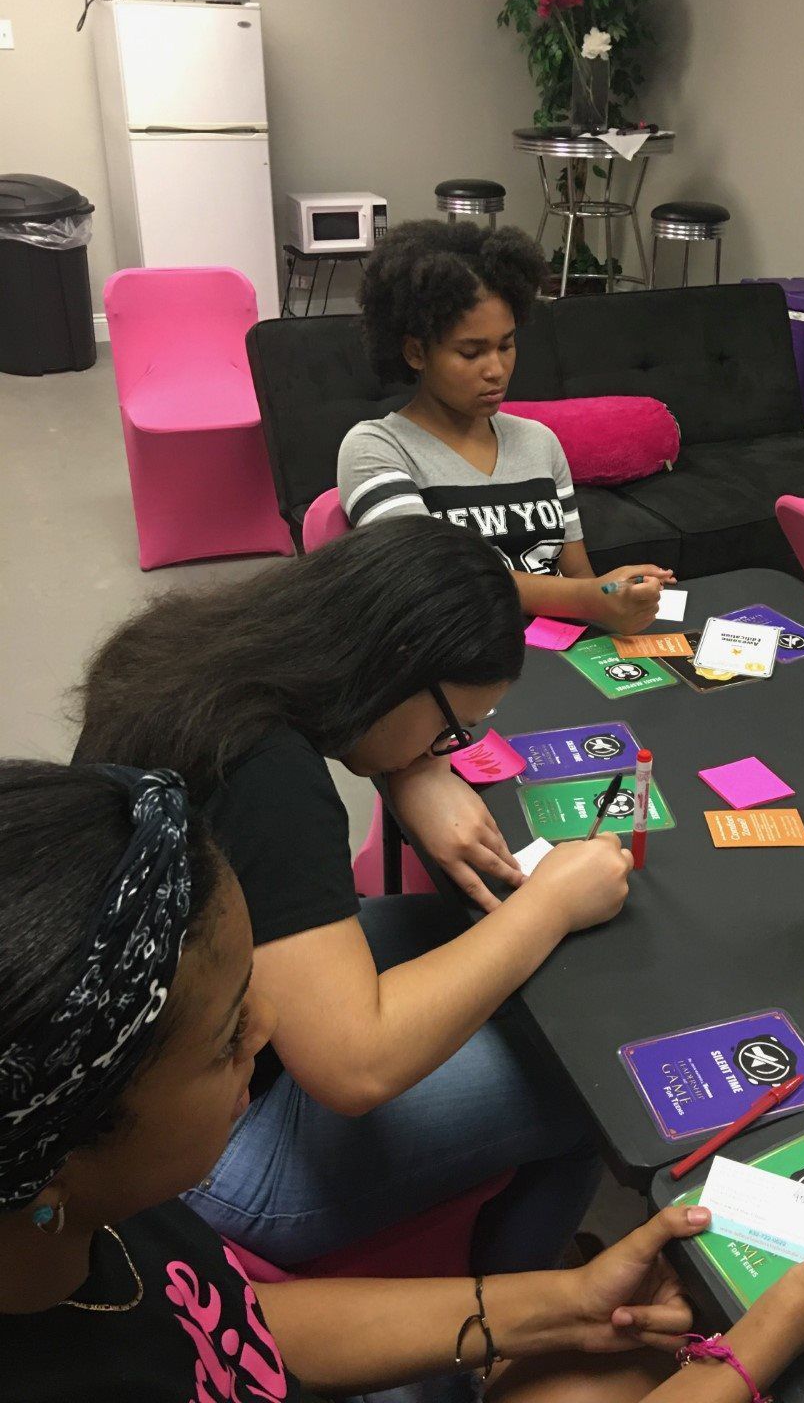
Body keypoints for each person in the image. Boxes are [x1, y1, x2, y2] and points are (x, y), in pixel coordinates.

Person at [0, 758, 804, 1403]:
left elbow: (232, 1322)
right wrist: (784, 1325)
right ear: (56, 1150)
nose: (268, 1028)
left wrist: (563, 1298)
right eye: (225, 1041)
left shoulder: (80, 1216)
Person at [74, 516, 629, 1278]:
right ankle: (515, 1317)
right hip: (199, 1162)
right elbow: (353, 1066)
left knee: (464, 934)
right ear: (397, 664)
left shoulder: (194, 653)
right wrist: (553, 902)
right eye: (449, 729)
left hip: (156, 1055)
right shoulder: (267, 775)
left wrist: (413, 771)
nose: (447, 750)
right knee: (592, 1082)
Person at [337, 219, 673, 635]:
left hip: (555, 659)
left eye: (506, 345)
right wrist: (593, 597)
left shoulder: (539, 442)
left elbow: (580, 577)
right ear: (416, 351)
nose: (496, 370)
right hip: (456, 666)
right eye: (471, 352)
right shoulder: (376, 448)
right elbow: (433, 584)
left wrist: (620, 595)